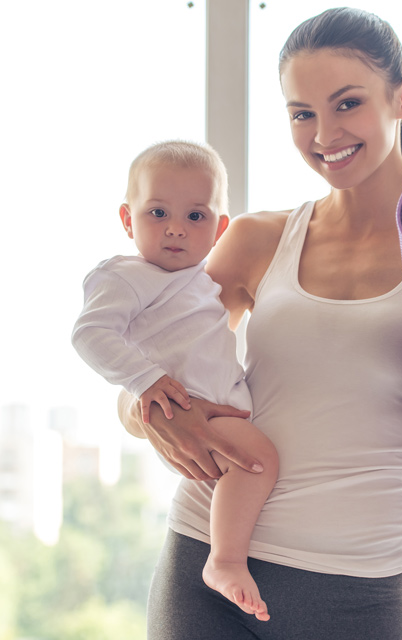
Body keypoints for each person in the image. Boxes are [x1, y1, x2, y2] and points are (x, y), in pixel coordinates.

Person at [118, 8, 402, 639]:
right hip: (205, 567)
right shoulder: (258, 240)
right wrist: (155, 415)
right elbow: (140, 375)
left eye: (347, 103)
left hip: (357, 593)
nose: (324, 133)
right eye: (301, 113)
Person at [72, 140, 278, 621]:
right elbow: (89, 334)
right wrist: (145, 383)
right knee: (257, 461)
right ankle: (225, 561)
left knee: (250, 462)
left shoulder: (201, 280)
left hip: (215, 405)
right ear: (127, 220)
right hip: (190, 411)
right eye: (158, 212)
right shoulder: (125, 277)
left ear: (219, 228)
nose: (174, 229)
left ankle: (226, 553)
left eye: (195, 217)